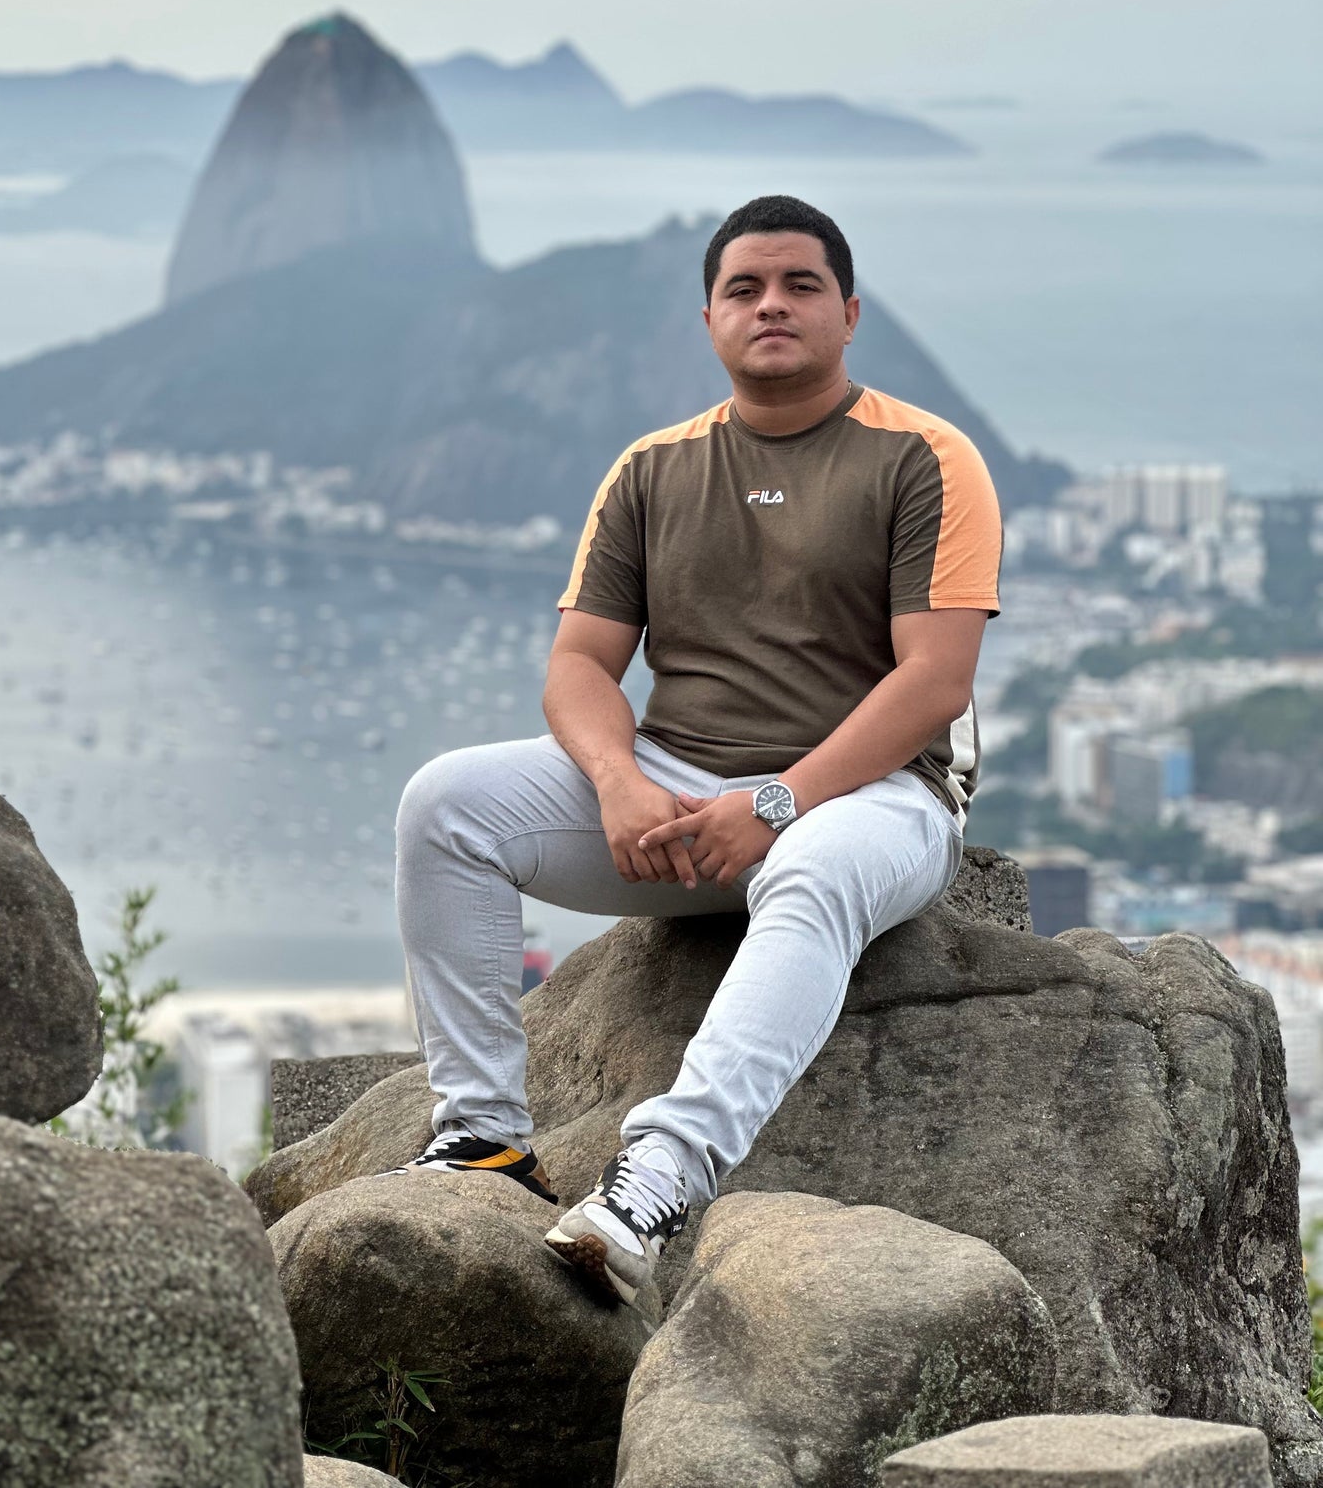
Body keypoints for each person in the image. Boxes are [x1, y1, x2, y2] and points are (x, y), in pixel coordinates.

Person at [387, 194, 1003, 1313]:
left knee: (811, 870)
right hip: (675, 793)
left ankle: (652, 1187)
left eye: (799, 285)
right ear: (709, 318)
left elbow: (934, 681)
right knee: (447, 806)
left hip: (869, 799)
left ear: (850, 312)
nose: (770, 304)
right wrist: (619, 785)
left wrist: (774, 801)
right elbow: (577, 664)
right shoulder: (651, 470)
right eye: (743, 288)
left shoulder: (925, 457)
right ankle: (480, 1139)